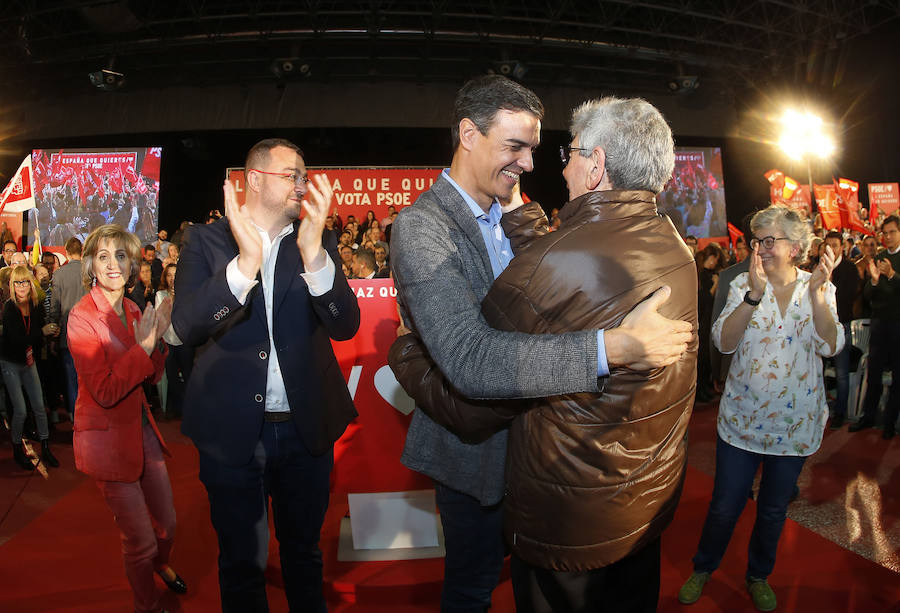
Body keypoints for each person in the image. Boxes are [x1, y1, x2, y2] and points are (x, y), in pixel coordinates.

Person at [389, 75, 693, 613]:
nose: (530, 163)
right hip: (476, 457)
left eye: (534, 148)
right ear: (468, 134)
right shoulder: (422, 227)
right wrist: (612, 348)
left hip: (544, 465)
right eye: (515, 146)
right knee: (472, 587)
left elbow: (552, 285)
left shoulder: (517, 218)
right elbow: (469, 363)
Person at [172, 138, 359, 613]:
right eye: (291, 174)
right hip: (233, 434)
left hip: (304, 430)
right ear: (253, 179)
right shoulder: (206, 241)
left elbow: (345, 324)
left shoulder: (316, 238)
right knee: (241, 563)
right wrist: (245, 266)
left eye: (304, 175)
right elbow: (186, 325)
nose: (303, 183)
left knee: (304, 554)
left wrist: (316, 256)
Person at [678, 206, 843, 612]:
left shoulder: (817, 285)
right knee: (725, 505)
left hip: (795, 423)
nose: (761, 248)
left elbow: (831, 344)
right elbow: (723, 342)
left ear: (796, 247)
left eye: (770, 240)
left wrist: (820, 296)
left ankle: (758, 575)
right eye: (757, 241)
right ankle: (704, 567)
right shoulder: (742, 283)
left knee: (771, 511)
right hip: (743, 420)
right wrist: (752, 294)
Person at [68, 224, 184, 613]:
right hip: (107, 443)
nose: (114, 264)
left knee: (167, 524)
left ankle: (161, 565)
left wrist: (160, 343)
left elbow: (150, 376)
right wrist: (147, 344)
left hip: (141, 431)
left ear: (133, 264)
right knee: (141, 542)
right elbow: (104, 390)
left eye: (121, 255)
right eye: (104, 256)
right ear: (91, 266)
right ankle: (146, 606)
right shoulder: (82, 318)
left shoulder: (135, 309)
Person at [4, 266, 60, 470]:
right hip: (10, 362)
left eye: (25, 282)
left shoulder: (36, 305)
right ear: (12, 285)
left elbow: (37, 335)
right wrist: (42, 333)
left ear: (30, 284)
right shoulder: (9, 308)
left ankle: (45, 447)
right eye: (17, 282)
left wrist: (51, 332)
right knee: (20, 409)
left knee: (39, 406)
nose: (21, 286)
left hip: (29, 361)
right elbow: (18, 340)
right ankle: (17, 449)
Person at [850, 215, 900, 438]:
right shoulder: (878, 258)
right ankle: (868, 416)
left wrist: (892, 275)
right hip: (879, 326)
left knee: (898, 377)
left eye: (892, 232)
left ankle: (889, 422)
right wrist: (874, 281)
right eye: (885, 233)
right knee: (874, 373)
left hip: (898, 325)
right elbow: (869, 296)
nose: (888, 237)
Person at [823, 231, 863, 429]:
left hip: (842, 325)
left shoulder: (849, 269)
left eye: (835, 245)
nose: (831, 249)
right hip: (820, 327)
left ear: (842, 247)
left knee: (841, 373)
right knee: (818, 370)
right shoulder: (818, 268)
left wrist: (829, 282)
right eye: (827, 245)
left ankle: (840, 413)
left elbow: (846, 299)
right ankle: (820, 409)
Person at [49, 236, 88, 421]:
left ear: (66, 251)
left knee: (71, 379)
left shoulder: (59, 274)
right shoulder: (90, 273)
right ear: (81, 251)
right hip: (89, 335)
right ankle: (88, 414)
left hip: (68, 335)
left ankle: (75, 417)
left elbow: (55, 307)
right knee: (87, 378)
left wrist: (52, 330)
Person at [155, 263, 191, 418]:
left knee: (189, 374)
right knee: (172, 376)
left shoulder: (187, 293)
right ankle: (179, 408)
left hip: (185, 339)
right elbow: (159, 317)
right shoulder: (160, 295)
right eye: (169, 275)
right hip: (168, 340)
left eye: (175, 274)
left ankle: (191, 407)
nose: (172, 278)